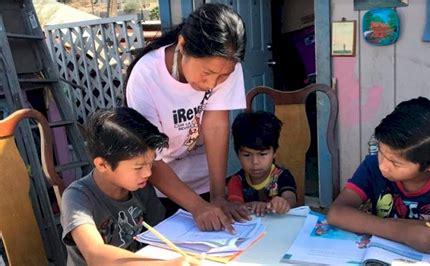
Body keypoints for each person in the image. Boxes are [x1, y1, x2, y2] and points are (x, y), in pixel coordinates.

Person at [125, 3, 250, 226]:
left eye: (222, 77)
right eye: (207, 73)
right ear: (182, 44)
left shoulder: (227, 64)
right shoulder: (146, 75)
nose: (212, 84)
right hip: (164, 190)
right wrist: (197, 206)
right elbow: (150, 155)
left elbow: (216, 127)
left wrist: (218, 196)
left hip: (210, 183)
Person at [327, 97, 430, 254]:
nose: (383, 166)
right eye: (380, 152)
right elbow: (337, 213)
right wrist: (403, 231)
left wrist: (425, 230)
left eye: (395, 163)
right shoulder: (372, 167)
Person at [61, 107, 196, 265]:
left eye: (151, 164)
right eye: (138, 167)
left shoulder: (141, 187)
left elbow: (161, 235)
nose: (147, 173)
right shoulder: (77, 197)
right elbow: (95, 254)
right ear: (102, 164)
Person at [226, 111, 297, 216]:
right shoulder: (236, 181)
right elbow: (235, 206)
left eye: (262, 154)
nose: (255, 162)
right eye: (247, 155)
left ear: (274, 153)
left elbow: (290, 197)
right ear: (238, 154)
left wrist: (283, 203)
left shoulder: (282, 175)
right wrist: (252, 205)